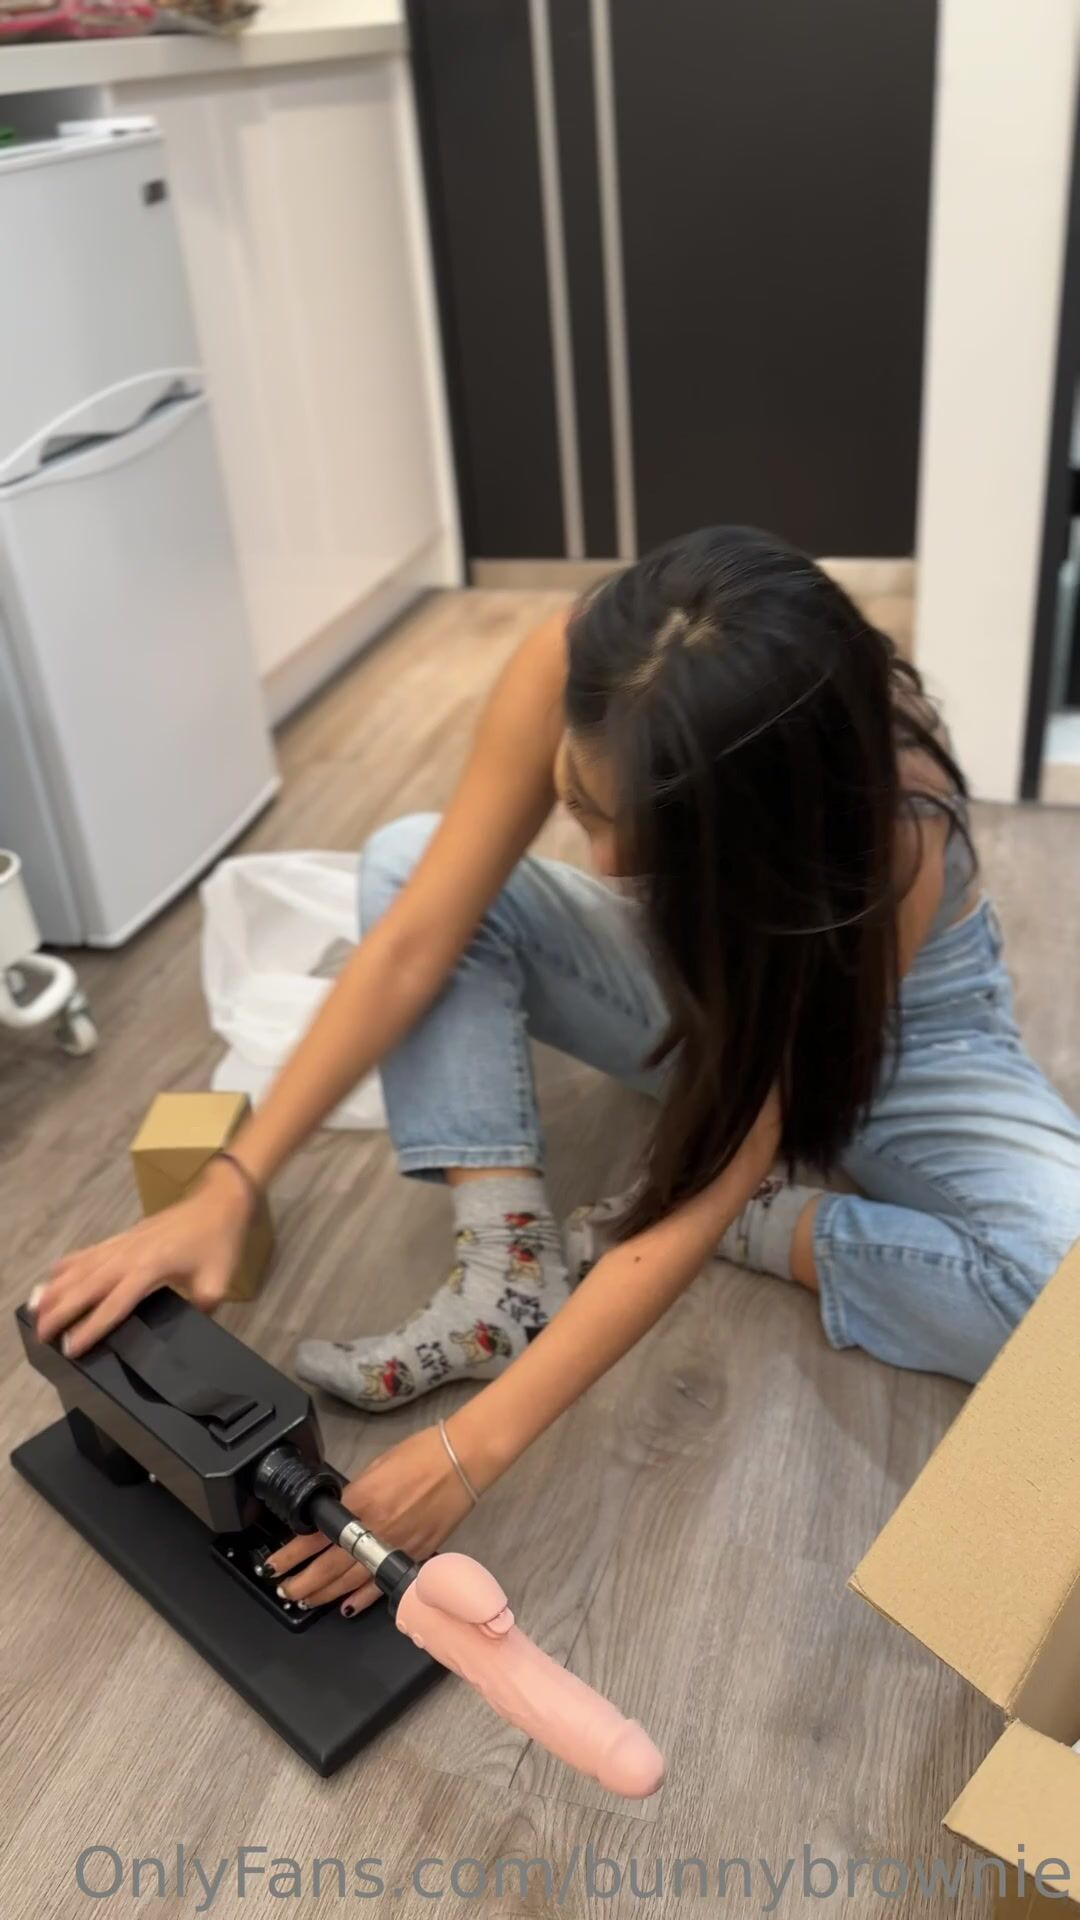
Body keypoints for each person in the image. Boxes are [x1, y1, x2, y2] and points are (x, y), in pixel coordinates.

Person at [31, 527, 1080, 1619]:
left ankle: (772, 1229)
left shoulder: (888, 829)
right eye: (580, 803)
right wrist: (229, 1184)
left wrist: (470, 1451)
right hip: (699, 977)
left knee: (1067, 1305)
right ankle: (510, 1274)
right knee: (409, 861)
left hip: (905, 1032)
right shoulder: (585, 662)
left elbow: (728, 1158)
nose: (605, 862)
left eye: (645, 833)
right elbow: (415, 941)